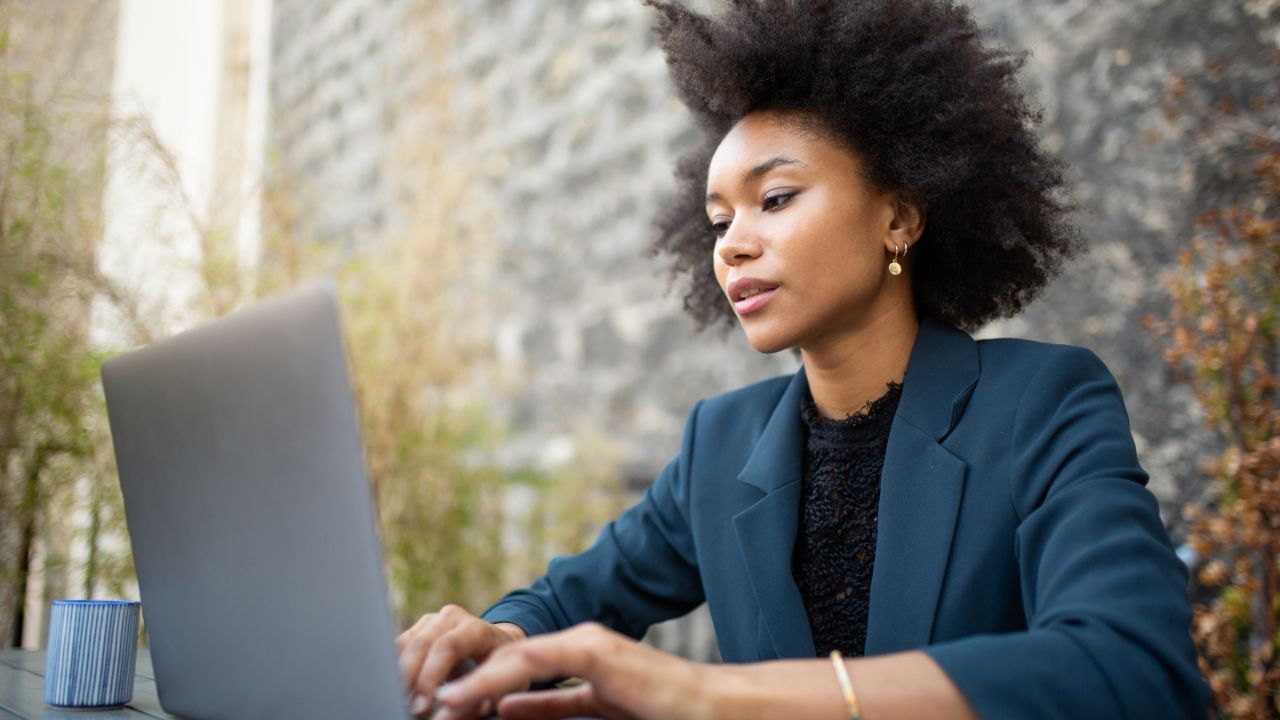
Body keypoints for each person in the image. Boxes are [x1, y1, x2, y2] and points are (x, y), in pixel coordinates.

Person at [396, 0, 1210, 718]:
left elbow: (1133, 668)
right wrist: (496, 636)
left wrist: (709, 696)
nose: (734, 245)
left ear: (899, 215)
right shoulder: (722, 442)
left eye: (775, 199)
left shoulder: (1042, 403)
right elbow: (568, 599)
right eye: (718, 221)